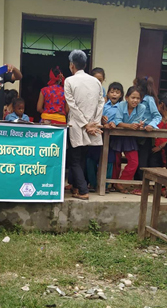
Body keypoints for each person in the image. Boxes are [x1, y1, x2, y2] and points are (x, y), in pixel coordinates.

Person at [64, 49, 104, 201]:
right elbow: (101, 103)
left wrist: (85, 124)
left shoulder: (69, 81)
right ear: (85, 65)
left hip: (77, 124)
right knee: (82, 157)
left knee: (74, 159)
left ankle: (83, 190)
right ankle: (76, 187)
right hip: (92, 125)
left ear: (72, 65)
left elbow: (72, 105)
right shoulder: (96, 82)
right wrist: (94, 123)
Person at [110, 86, 145, 194]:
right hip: (118, 135)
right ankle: (112, 183)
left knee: (134, 161)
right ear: (126, 97)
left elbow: (137, 121)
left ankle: (121, 182)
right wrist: (129, 126)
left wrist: (138, 125)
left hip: (130, 137)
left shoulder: (141, 107)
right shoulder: (121, 105)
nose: (135, 100)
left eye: (138, 98)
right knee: (116, 161)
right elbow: (117, 120)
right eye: (133, 97)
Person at [88, 82, 122, 191]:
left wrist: (114, 123)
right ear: (107, 93)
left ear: (121, 95)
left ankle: (105, 185)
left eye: (117, 92)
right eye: (112, 92)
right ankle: (92, 183)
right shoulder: (103, 105)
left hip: (112, 138)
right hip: (98, 134)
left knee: (109, 160)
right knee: (91, 158)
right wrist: (101, 120)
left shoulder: (121, 107)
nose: (114, 94)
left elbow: (121, 118)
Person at [133, 77, 162, 188]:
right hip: (134, 132)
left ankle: (142, 185)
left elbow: (157, 116)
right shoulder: (135, 100)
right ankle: (136, 183)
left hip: (145, 134)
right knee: (134, 159)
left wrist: (151, 125)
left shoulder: (149, 99)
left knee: (143, 160)